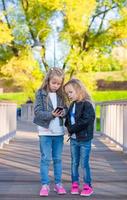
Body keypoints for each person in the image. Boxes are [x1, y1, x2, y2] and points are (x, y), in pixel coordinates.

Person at [33, 67, 67, 196]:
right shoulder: (40, 93)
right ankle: (45, 185)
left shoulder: (61, 94)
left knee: (57, 159)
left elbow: (67, 110)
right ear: (48, 81)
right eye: (54, 83)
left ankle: (58, 184)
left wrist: (63, 112)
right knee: (46, 159)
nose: (56, 86)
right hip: (45, 132)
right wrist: (51, 114)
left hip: (58, 132)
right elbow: (37, 112)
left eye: (59, 84)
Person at [64, 78, 95, 197]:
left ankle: (87, 185)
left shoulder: (87, 104)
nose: (69, 95)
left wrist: (72, 129)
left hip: (84, 139)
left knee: (84, 163)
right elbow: (69, 119)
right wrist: (67, 124)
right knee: (74, 162)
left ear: (79, 90)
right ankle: (75, 184)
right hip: (74, 140)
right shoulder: (72, 104)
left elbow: (85, 121)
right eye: (67, 93)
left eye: (70, 92)